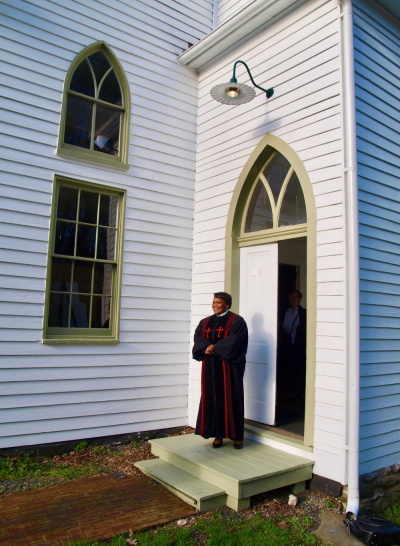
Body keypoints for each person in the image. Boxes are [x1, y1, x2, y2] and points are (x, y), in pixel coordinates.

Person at [193, 292, 248, 449]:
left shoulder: (236, 321)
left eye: (219, 302)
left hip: (229, 368)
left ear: (227, 304)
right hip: (210, 368)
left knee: (232, 399)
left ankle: (237, 436)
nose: (215, 305)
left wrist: (215, 348)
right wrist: (205, 347)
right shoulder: (205, 323)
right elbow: (198, 339)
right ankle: (218, 435)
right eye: (214, 302)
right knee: (213, 400)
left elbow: (236, 341)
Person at [278, 290, 307, 401]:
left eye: (294, 297)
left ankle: (299, 390)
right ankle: (290, 390)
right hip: (287, 342)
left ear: (299, 299)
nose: (292, 299)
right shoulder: (284, 311)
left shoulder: (303, 312)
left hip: (298, 344)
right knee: (288, 367)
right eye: (290, 296)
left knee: (298, 367)